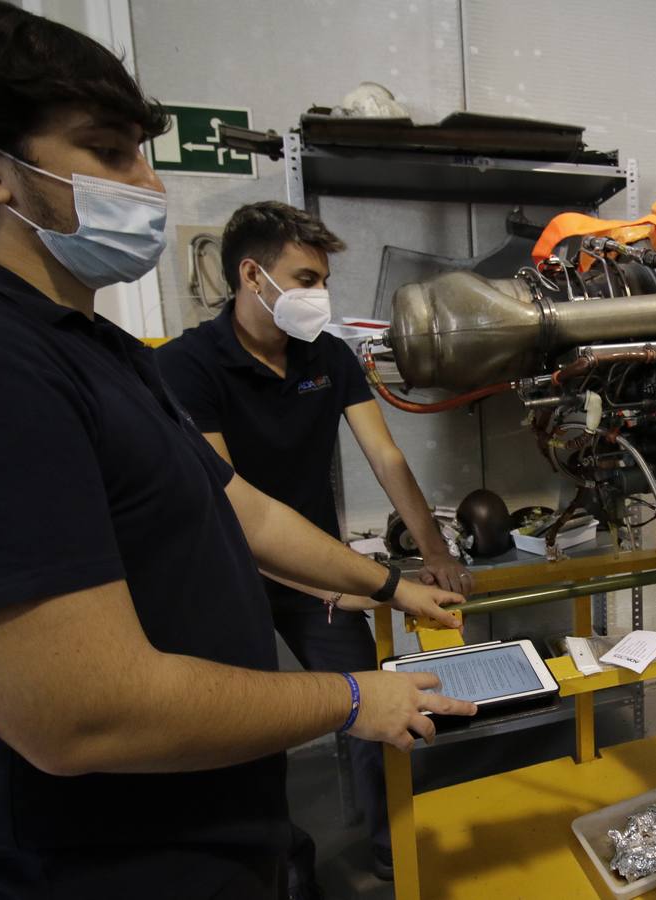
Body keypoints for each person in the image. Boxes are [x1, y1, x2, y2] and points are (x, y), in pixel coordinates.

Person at [0, 3, 474, 898]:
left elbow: (244, 511)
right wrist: (357, 699)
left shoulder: (98, 350)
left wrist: (397, 586)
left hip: (208, 832)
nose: (150, 190)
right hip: (81, 868)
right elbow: (84, 717)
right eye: (110, 152)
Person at [156, 201, 472, 885]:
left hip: (321, 570)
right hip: (227, 575)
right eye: (304, 278)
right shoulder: (187, 366)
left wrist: (435, 552)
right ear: (251, 274)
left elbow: (386, 457)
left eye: (322, 281)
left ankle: (389, 848)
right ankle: (267, 863)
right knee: (241, 728)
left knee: (369, 703)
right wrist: (345, 582)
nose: (317, 297)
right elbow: (236, 508)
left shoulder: (326, 357)